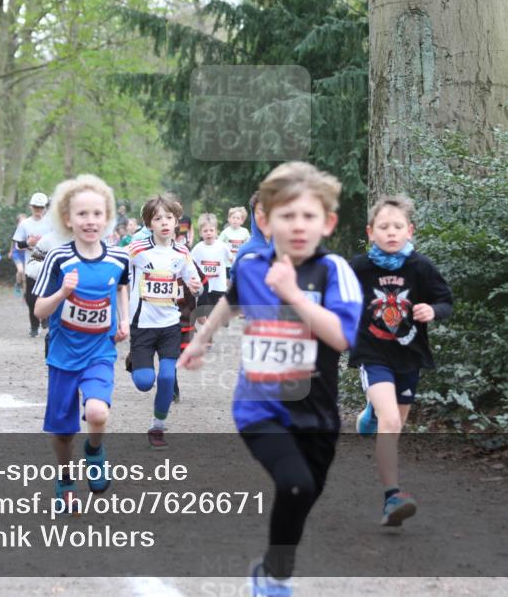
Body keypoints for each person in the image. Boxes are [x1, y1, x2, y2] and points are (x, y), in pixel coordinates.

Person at [178, 162, 362, 597]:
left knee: (306, 492)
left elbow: (340, 337)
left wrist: (293, 295)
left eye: (309, 216)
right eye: (287, 215)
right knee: (294, 484)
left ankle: (274, 563)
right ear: (266, 220)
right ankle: (276, 579)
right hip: (259, 406)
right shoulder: (251, 265)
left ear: (328, 223)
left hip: (316, 412)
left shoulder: (334, 272)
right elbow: (231, 302)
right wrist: (200, 340)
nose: (298, 226)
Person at [350, 195, 453, 527]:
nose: (391, 232)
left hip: (409, 356)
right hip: (373, 354)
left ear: (410, 230)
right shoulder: (360, 267)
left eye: (397, 226)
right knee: (391, 422)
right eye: (384, 226)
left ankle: (369, 414)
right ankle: (392, 497)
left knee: (391, 426)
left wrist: (432, 311)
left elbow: (445, 301)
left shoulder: (421, 267)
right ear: (370, 232)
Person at [33, 175, 129, 512]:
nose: (90, 221)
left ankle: (95, 451)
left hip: (99, 353)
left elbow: (121, 287)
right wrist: (62, 292)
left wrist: (124, 319)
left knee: (97, 412)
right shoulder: (58, 259)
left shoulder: (119, 258)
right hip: (62, 355)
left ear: (107, 217)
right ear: (67, 219)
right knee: (62, 432)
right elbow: (40, 309)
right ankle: (65, 479)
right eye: (82, 214)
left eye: (97, 214)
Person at [127, 193, 202, 449]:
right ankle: (135, 362)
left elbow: (195, 284)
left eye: (169, 217)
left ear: (177, 221)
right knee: (144, 382)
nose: (164, 223)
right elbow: (116, 270)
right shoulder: (137, 250)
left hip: (170, 325)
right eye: (158, 218)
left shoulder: (182, 252)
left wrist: (195, 287)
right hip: (143, 326)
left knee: (168, 378)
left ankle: (157, 427)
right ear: (149, 224)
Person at [14, 193, 53, 337]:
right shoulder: (25, 224)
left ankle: (46, 317)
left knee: (47, 294)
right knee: (31, 298)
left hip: (48, 264)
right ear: (31, 207)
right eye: (36, 207)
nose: (38, 209)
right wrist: (28, 243)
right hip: (31, 265)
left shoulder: (51, 224)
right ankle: (34, 326)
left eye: (41, 207)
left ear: (45, 208)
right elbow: (18, 244)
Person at [190, 213, 232, 322]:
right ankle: (207, 327)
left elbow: (232, 259)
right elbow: (189, 262)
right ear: (200, 233)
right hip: (204, 286)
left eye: (211, 230)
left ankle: (212, 326)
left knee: (215, 312)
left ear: (216, 231)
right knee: (203, 316)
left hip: (219, 286)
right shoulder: (198, 248)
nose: (208, 233)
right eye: (205, 231)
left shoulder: (222, 246)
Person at [219, 205, 250, 275]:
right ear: (229, 219)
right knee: (228, 282)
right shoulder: (225, 232)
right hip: (227, 263)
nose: (235, 219)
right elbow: (218, 245)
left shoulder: (245, 232)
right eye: (233, 217)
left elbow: (249, 245)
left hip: (240, 262)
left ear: (242, 221)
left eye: (238, 218)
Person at [10, 213, 27, 296]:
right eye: (20, 222)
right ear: (17, 224)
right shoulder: (16, 232)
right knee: (20, 270)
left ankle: (25, 293)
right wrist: (10, 251)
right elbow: (12, 242)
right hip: (17, 254)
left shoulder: (28, 232)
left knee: (25, 275)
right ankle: (17, 284)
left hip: (26, 254)